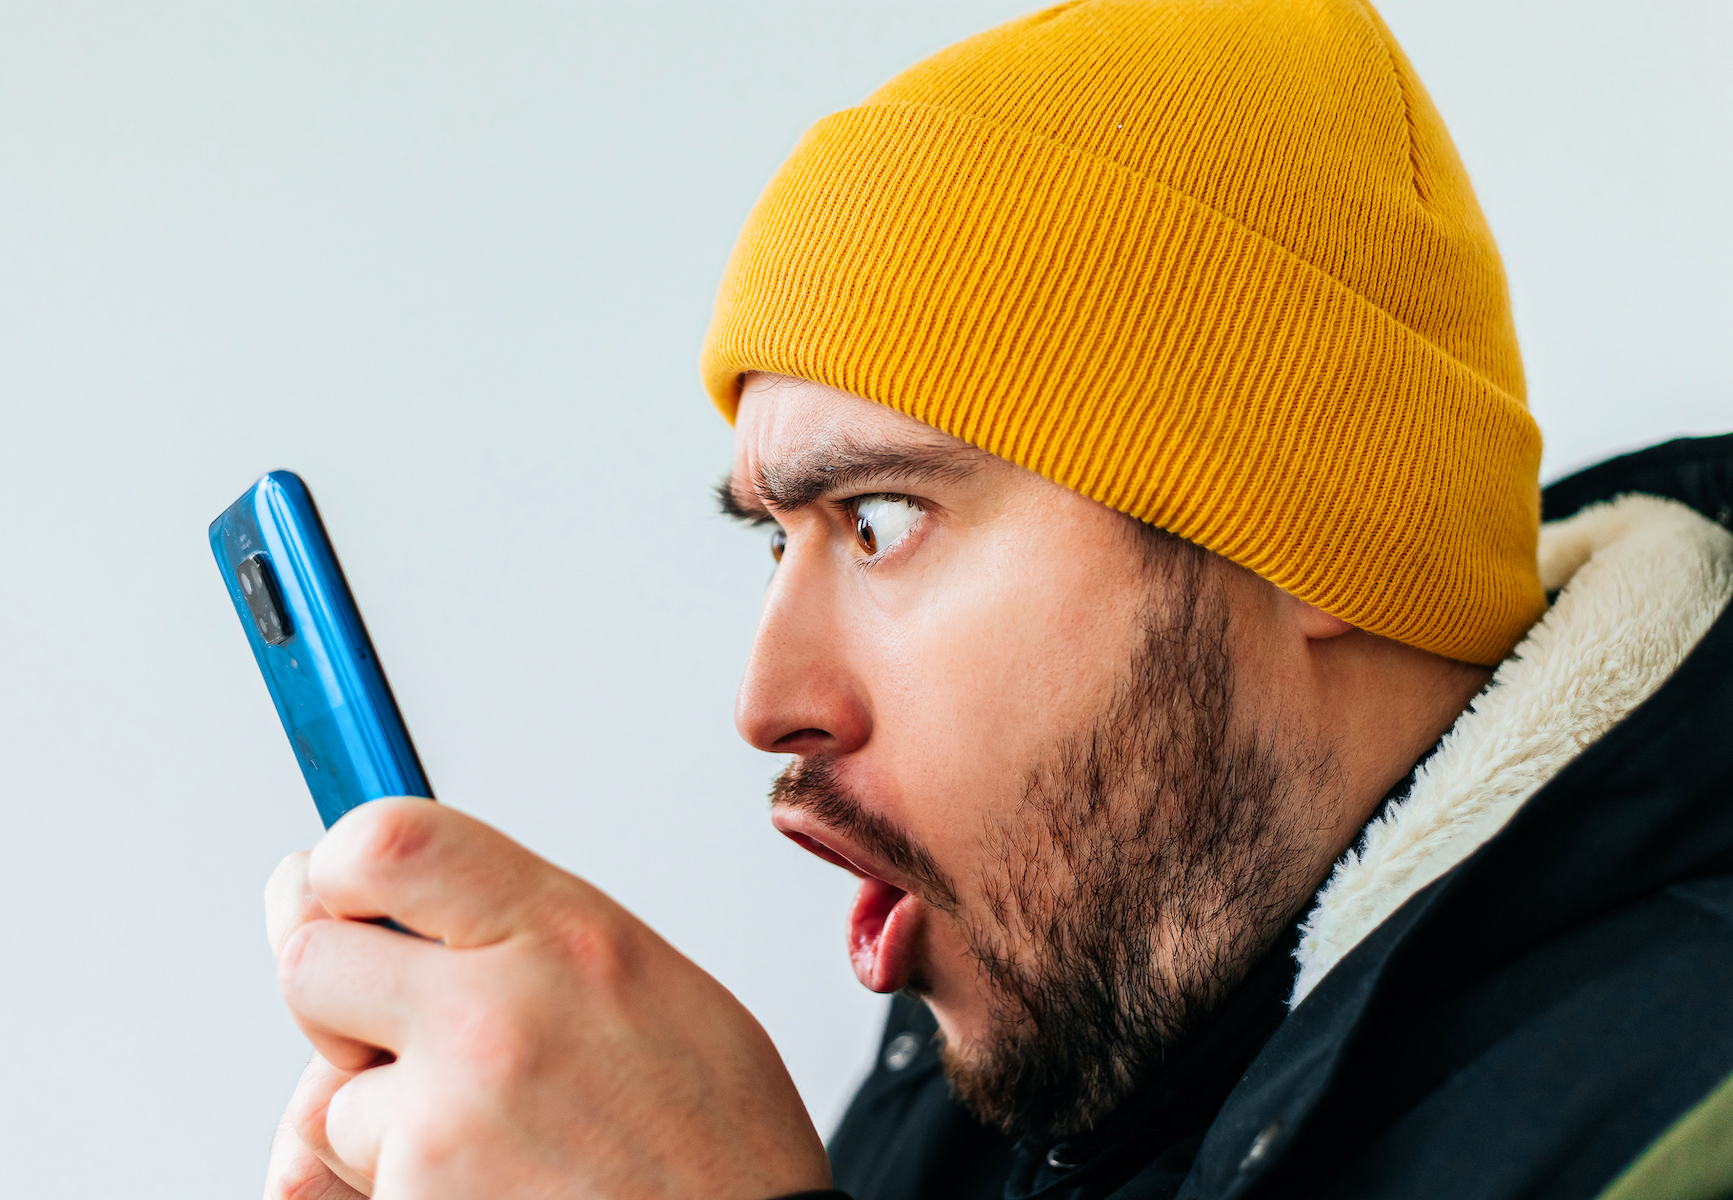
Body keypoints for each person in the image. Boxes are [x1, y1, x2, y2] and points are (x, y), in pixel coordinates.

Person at [260, 2, 1733, 1198]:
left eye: (879, 520)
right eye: (774, 540)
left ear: (1306, 527)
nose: (767, 700)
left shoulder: (1688, 1108)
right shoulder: (1029, 1066)